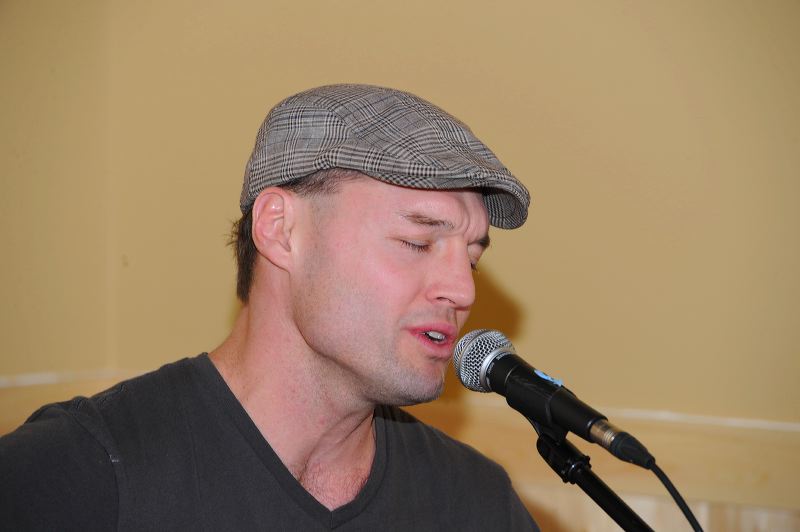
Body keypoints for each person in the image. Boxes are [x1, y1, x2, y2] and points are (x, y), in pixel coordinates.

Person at [0, 84, 537, 530]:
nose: (463, 291)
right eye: (417, 243)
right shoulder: (77, 474)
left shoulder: (477, 504)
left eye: (472, 259)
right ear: (280, 230)